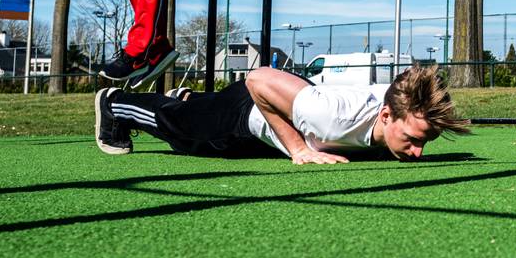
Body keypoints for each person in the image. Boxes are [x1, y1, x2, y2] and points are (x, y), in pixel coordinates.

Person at [94, 65, 470, 163]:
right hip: (250, 110)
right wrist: (297, 149)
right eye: (414, 140)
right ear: (385, 116)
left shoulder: (399, 106)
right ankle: (115, 105)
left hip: (292, 108)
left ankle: (191, 98)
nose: (418, 153)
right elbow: (258, 80)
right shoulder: (330, 117)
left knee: (197, 114)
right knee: (185, 133)